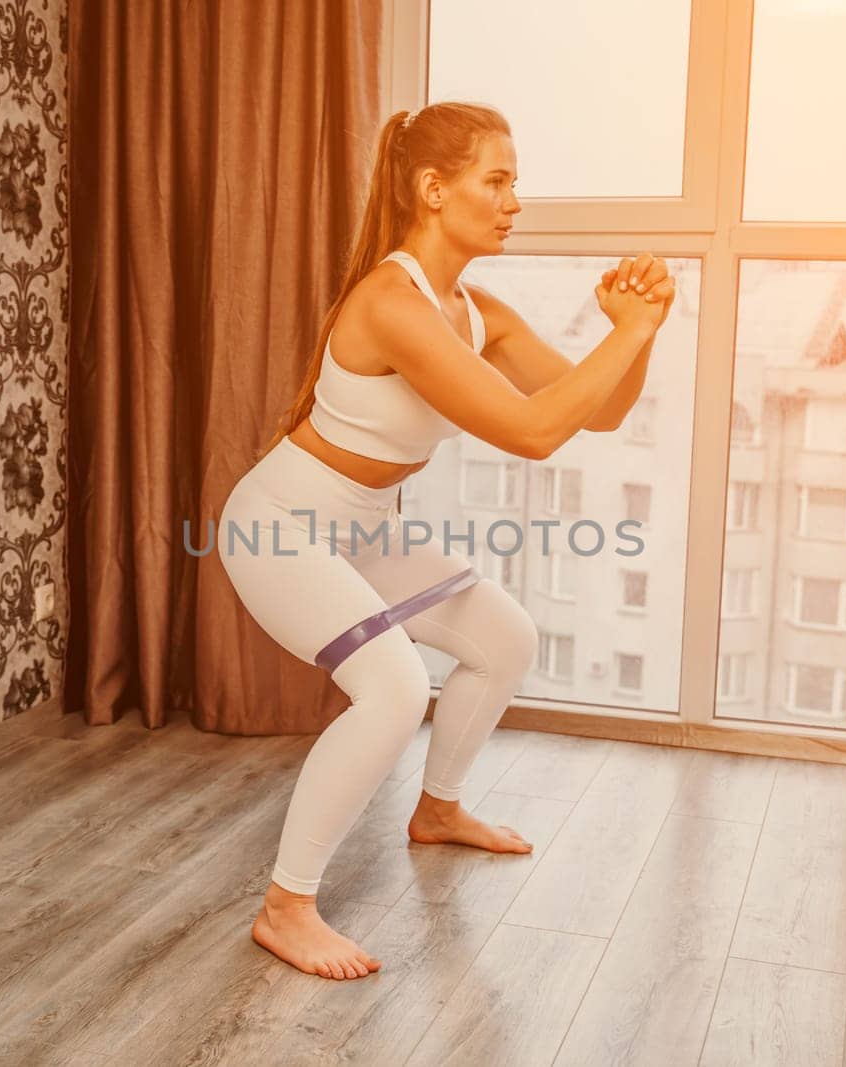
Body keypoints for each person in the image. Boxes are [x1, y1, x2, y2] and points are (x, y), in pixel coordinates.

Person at [216, 101, 677, 980]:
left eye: (515, 184)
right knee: (390, 687)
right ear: (433, 189)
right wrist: (629, 329)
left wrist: (638, 332)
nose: (513, 202)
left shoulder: (477, 310)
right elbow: (536, 432)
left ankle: (439, 809)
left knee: (506, 638)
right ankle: (286, 906)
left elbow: (604, 410)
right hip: (278, 527)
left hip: (364, 529)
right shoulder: (393, 302)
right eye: (495, 181)